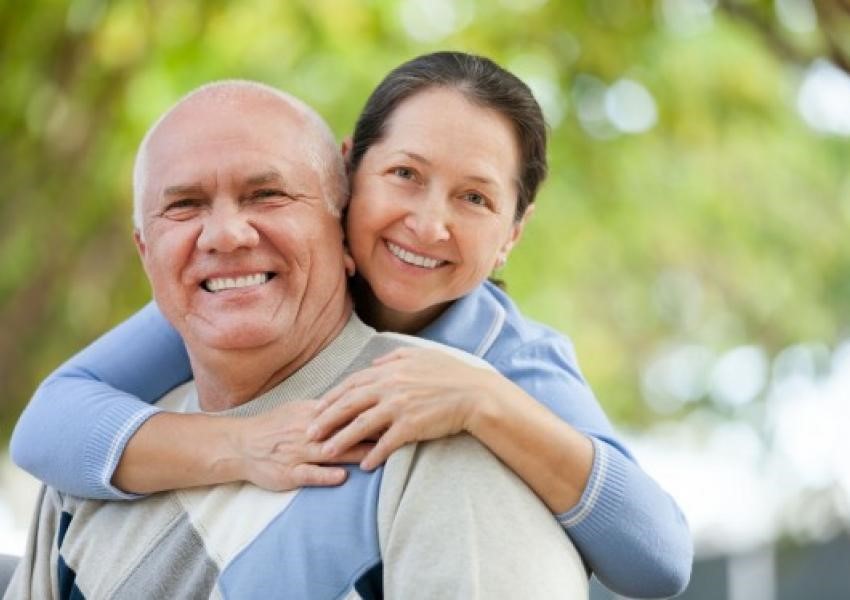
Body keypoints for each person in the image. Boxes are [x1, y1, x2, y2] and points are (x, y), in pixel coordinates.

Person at [11, 52, 692, 597]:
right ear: (348, 175)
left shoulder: (510, 360)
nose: (428, 223)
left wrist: (486, 401)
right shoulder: (240, 288)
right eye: (404, 174)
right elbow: (51, 422)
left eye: (476, 198)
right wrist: (243, 445)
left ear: (513, 232)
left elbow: (658, 558)